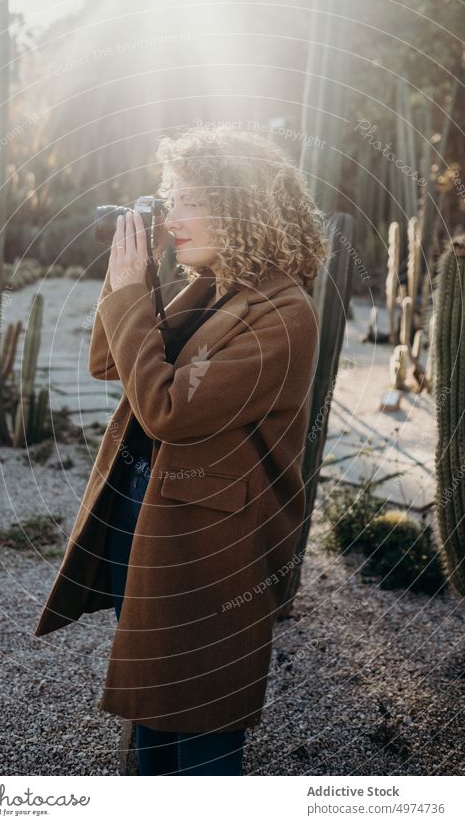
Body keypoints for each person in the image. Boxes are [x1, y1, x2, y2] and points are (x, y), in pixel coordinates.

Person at [34, 125, 326, 776]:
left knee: (200, 735)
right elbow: (108, 359)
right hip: (162, 536)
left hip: (213, 560)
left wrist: (135, 295)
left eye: (189, 199)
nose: (170, 217)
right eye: (170, 197)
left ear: (242, 205)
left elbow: (169, 408)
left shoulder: (282, 313)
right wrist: (126, 282)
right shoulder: (213, 288)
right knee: (151, 725)